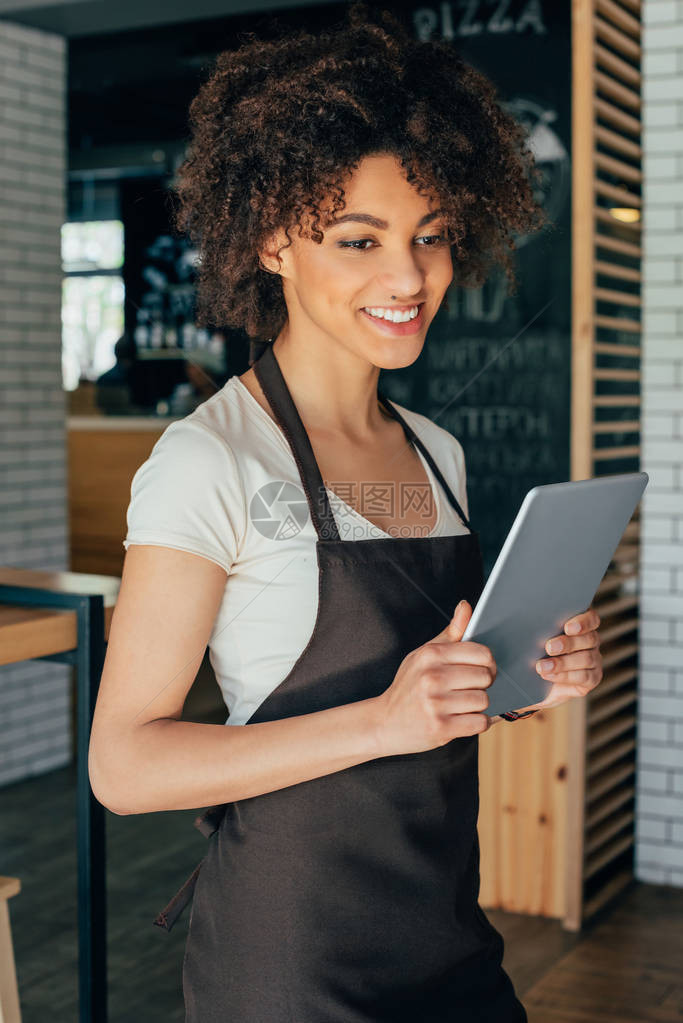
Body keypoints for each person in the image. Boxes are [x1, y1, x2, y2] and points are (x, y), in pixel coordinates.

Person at [88, 5, 604, 1020]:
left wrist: (519, 680)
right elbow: (125, 763)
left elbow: (430, 697)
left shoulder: (433, 447)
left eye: (430, 237)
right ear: (275, 241)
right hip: (292, 960)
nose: (407, 278)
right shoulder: (212, 460)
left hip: (445, 930)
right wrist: (380, 721)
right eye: (358, 240)